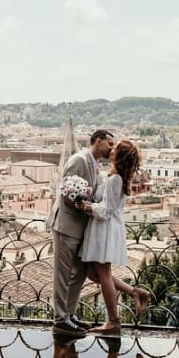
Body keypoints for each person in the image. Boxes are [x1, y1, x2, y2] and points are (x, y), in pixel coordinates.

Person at [79, 139, 150, 336]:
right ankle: (135, 292)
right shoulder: (114, 177)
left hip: (106, 228)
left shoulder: (115, 179)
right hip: (106, 227)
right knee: (95, 274)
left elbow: (106, 210)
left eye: (115, 148)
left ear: (119, 156)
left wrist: (87, 207)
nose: (112, 149)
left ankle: (113, 321)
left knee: (102, 274)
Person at [48, 129, 114, 335]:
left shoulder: (93, 165)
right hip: (67, 225)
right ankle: (60, 319)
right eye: (109, 144)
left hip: (80, 227)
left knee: (79, 273)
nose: (112, 148)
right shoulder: (79, 160)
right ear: (98, 141)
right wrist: (84, 204)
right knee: (63, 273)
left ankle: (70, 313)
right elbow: (67, 190)